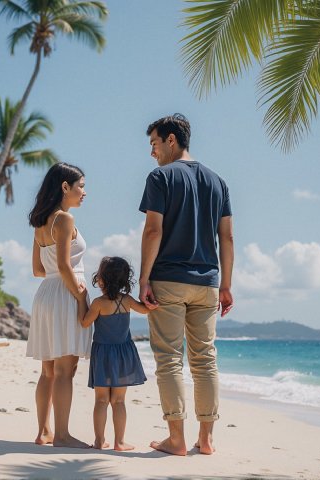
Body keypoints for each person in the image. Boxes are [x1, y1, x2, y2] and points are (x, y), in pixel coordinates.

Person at [138, 113, 234, 456]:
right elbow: (227, 237)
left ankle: (176, 438)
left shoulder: (161, 177)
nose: (152, 152)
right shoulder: (218, 182)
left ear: (171, 141)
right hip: (208, 283)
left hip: (168, 278)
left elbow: (153, 230)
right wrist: (226, 285)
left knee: (168, 359)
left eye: (154, 143)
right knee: (205, 360)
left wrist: (144, 278)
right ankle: (206, 439)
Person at [27, 162, 92, 449]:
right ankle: (62, 435)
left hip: (46, 293)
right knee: (67, 370)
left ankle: (44, 432)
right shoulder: (64, 219)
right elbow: (65, 265)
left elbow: (38, 270)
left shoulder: (40, 222)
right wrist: (79, 295)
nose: (84, 192)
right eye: (81, 186)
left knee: (48, 371)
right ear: (65, 187)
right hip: (66, 293)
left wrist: (60, 276)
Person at [80, 256, 149, 451]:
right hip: (123, 354)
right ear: (124, 280)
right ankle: (119, 442)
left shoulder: (98, 303)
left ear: (100, 279)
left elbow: (85, 323)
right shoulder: (126, 300)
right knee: (119, 401)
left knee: (101, 400)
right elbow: (146, 310)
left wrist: (79, 301)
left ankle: (99, 441)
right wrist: (152, 298)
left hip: (102, 354)